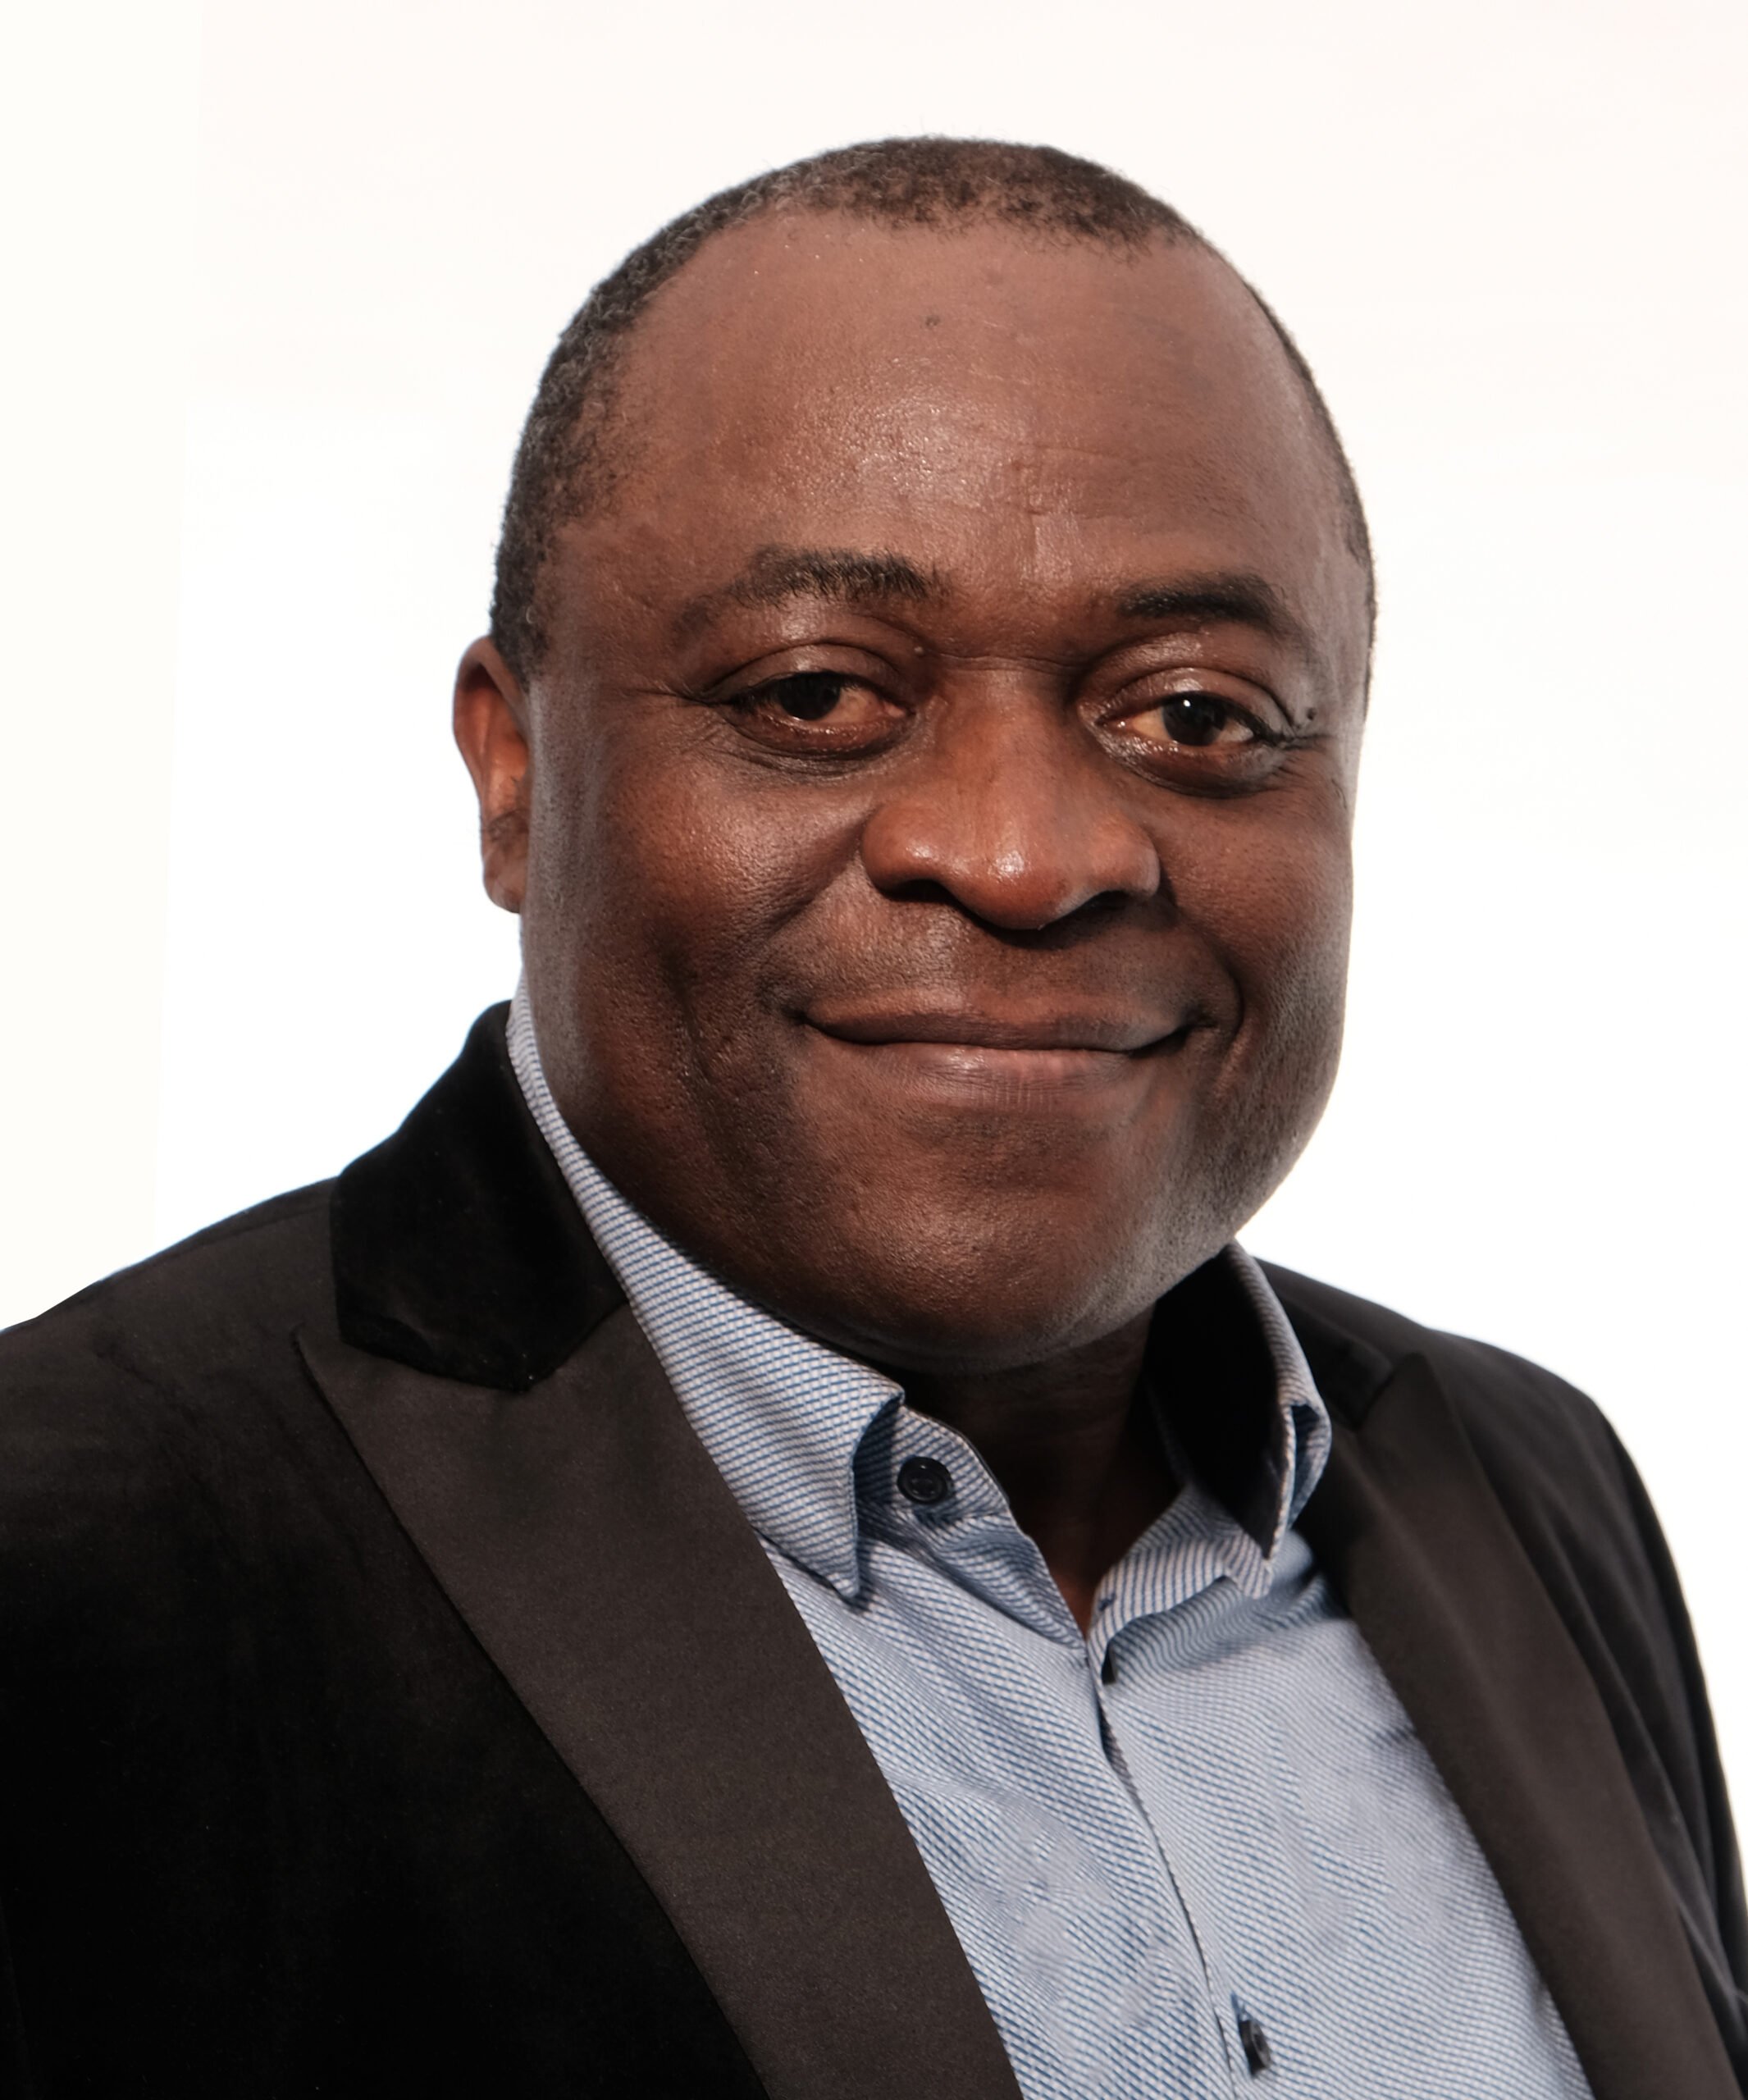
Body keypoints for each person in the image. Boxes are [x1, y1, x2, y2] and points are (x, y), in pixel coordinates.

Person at [0, 138, 1740, 2100]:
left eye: (1192, 712)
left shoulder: (1522, 1481)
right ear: (514, 771)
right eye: (818, 694)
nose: (1021, 854)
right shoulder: (76, 1559)